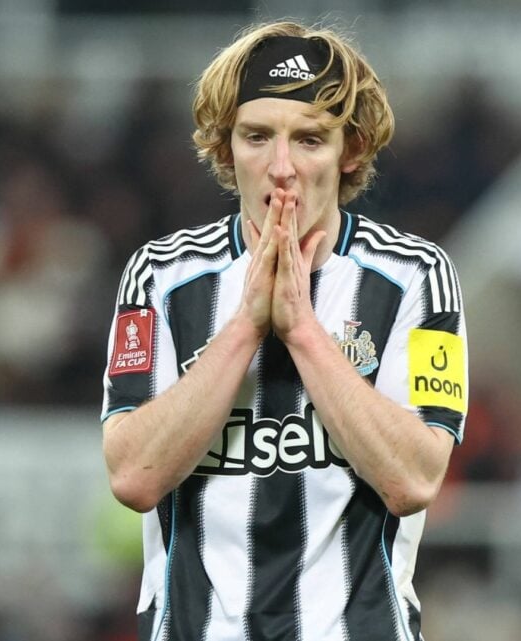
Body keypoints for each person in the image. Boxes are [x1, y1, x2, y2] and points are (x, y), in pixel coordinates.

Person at [101, 21, 467, 641]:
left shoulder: (417, 276)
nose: (281, 168)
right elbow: (133, 476)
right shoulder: (161, 275)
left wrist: (301, 332)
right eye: (257, 136)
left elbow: (416, 479)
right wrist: (246, 325)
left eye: (310, 139)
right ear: (225, 148)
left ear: (350, 150)